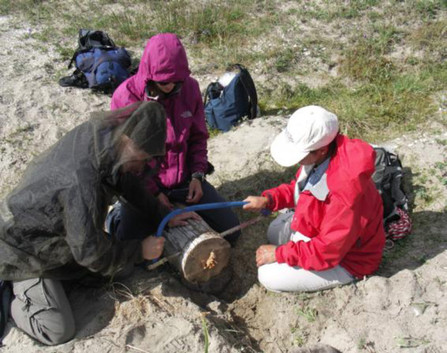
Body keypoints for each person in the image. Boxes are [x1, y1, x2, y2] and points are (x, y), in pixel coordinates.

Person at [0, 101, 197, 345]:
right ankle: (14, 299)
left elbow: (128, 184)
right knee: (57, 329)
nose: (142, 166)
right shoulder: (82, 181)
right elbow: (89, 252)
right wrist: (139, 250)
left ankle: (59, 284)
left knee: (121, 271)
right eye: (143, 158)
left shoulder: (106, 141)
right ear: (128, 140)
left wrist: (163, 215)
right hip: (28, 250)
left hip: (64, 234)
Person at [110, 33, 241, 244]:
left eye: (175, 80)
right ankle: (116, 215)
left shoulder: (189, 88)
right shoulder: (125, 98)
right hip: (144, 186)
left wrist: (197, 175)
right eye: (164, 81)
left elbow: (198, 137)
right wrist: (153, 195)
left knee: (232, 233)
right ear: (149, 73)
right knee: (129, 245)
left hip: (184, 181)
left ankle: (179, 202)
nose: (170, 85)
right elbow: (126, 160)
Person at [243, 105, 385, 292]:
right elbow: (299, 189)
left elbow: (328, 251)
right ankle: (294, 251)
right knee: (274, 231)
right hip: (322, 232)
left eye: (300, 155)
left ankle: (343, 276)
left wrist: (279, 254)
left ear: (322, 150)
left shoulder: (345, 192)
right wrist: (269, 199)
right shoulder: (320, 157)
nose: (297, 161)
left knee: (268, 275)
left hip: (346, 260)